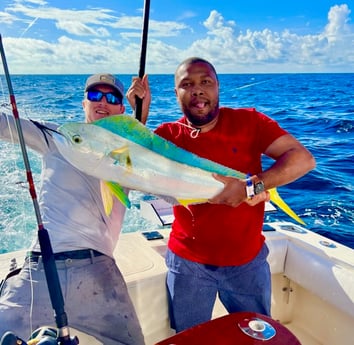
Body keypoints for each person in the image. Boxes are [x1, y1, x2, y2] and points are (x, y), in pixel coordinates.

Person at [127, 57, 316, 332]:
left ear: (218, 87)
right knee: (190, 338)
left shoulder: (250, 121)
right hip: (188, 266)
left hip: (247, 263)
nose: (197, 90)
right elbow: (129, 169)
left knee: (257, 337)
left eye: (206, 82)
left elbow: (303, 159)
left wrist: (253, 187)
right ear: (176, 93)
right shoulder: (166, 136)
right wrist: (139, 117)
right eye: (187, 84)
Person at [0, 73, 149, 345]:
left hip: (100, 273)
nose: (102, 101)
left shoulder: (127, 153)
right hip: (41, 268)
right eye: (94, 95)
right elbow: (3, 125)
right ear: (84, 104)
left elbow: (155, 165)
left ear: (121, 109)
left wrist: (140, 119)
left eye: (111, 97)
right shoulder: (56, 136)